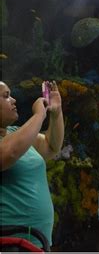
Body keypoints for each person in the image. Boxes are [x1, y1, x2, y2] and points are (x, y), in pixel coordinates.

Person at [0, 80, 64, 249]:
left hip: (37, 242)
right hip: (10, 243)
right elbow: (8, 154)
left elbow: (52, 146)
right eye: (6, 96)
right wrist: (38, 115)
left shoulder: (17, 134)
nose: (13, 100)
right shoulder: (14, 142)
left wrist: (56, 113)